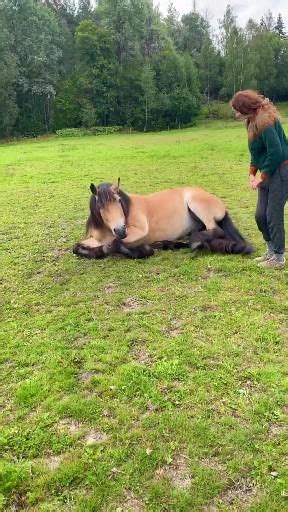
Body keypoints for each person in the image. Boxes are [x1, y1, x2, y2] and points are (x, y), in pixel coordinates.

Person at [231, 90, 288, 269]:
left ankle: (279, 257)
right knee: (260, 215)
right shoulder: (251, 121)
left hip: (281, 170)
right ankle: (270, 250)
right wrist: (251, 172)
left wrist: (261, 177)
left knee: (273, 215)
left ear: (245, 107)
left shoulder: (265, 121)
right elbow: (257, 151)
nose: (235, 113)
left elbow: (276, 152)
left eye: (236, 109)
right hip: (268, 171)